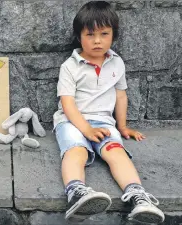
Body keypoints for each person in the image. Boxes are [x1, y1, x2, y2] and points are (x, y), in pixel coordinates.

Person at [53, 1, 165, 224]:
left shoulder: (117, 63)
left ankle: (138, 196)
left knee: (116, 151)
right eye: (90, 34)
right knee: (76, 151)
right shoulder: (70, 66)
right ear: (79, 36)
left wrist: (122, 126)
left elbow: (120, 96)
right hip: (72, 121)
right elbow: (67, 103)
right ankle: (76, 192)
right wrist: (86, 129)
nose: (97, 40)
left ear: (113, 35)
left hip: (104, 122)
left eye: (104, 34)